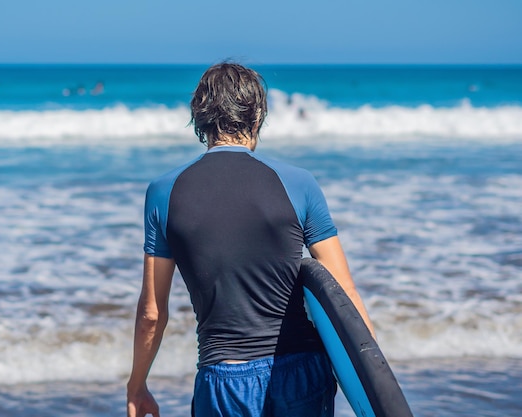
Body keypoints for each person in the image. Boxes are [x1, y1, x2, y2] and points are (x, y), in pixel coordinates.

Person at [127, 62, 375, 417]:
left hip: (224, 379)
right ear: (257, 115)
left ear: (199, 118)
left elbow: (152, 313)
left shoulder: (164, 192)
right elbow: (344, 292)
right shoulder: (299, 183)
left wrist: (137, 385)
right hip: (302, 372)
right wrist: (375, 382)